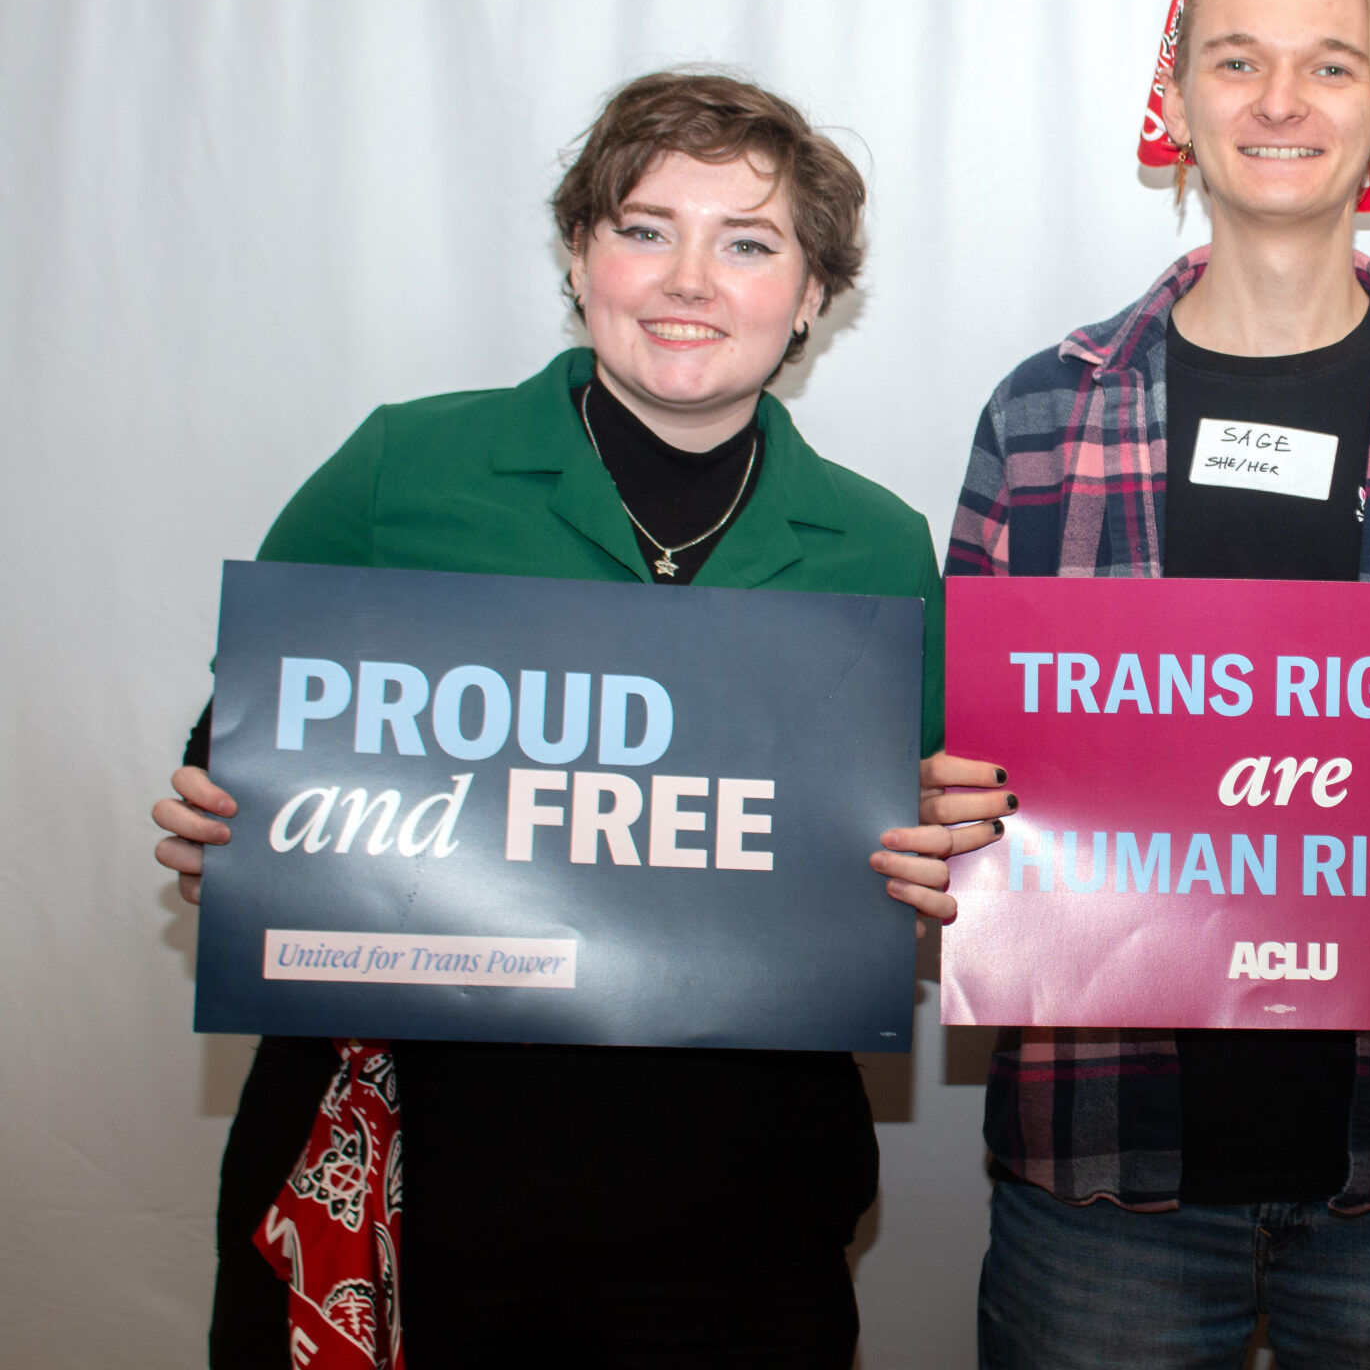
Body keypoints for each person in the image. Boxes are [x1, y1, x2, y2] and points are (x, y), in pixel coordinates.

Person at [149, 70, 1003, 1368]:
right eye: (645, 227)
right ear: (578, 255)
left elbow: (925, 828)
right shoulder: (397, 473)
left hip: (738, 1207)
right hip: (416, 1182)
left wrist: (955, 854)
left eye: (749, 243)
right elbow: (247, 746)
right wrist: (218, 818)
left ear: (814, 295)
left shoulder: (876, 550)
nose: (689, 281)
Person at [945, 0, 1370, 1369]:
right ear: (1176, 95)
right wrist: (938, 810)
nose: (1281, 99)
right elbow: (963, 762)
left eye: (1329, 65)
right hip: (1103, 1181)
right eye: (1238, 60)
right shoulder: (1041, 415)